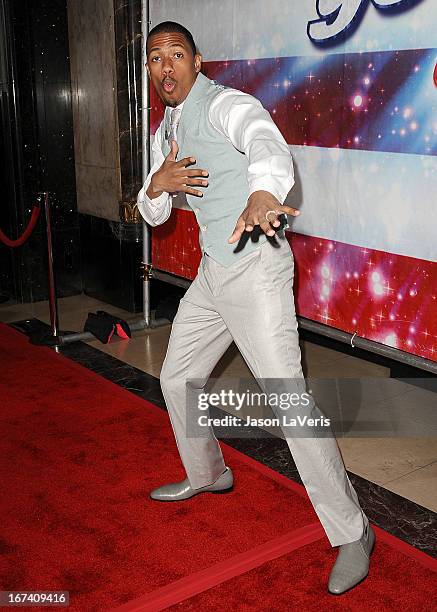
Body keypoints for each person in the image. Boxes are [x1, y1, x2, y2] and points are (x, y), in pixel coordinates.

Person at [137, 20, 375, 595]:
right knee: (176, 378)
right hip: (215, 272)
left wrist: (266, 189)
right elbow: (156, 217)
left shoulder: (224, 104)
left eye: (175, 56)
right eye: (154, 58)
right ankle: (210, 474)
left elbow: (265, 139)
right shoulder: (165, 128)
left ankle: (353, 531)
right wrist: (157, 185)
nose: (165, 68)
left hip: (258, 269)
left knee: (287, 399)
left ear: (197, 61)